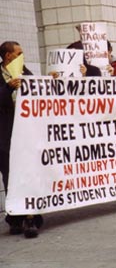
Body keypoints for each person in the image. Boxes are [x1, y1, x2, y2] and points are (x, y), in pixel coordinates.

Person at [0, 41, 43, 238]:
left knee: (29, 174)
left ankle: (31, 217)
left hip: (25, 135)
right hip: (5, 137)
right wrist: (8, 89)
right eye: (19, 53)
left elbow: (39, 93)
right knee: (10, 177)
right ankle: (14, 218)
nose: (22, 56)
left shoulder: (25, 72)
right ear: (8, 56)